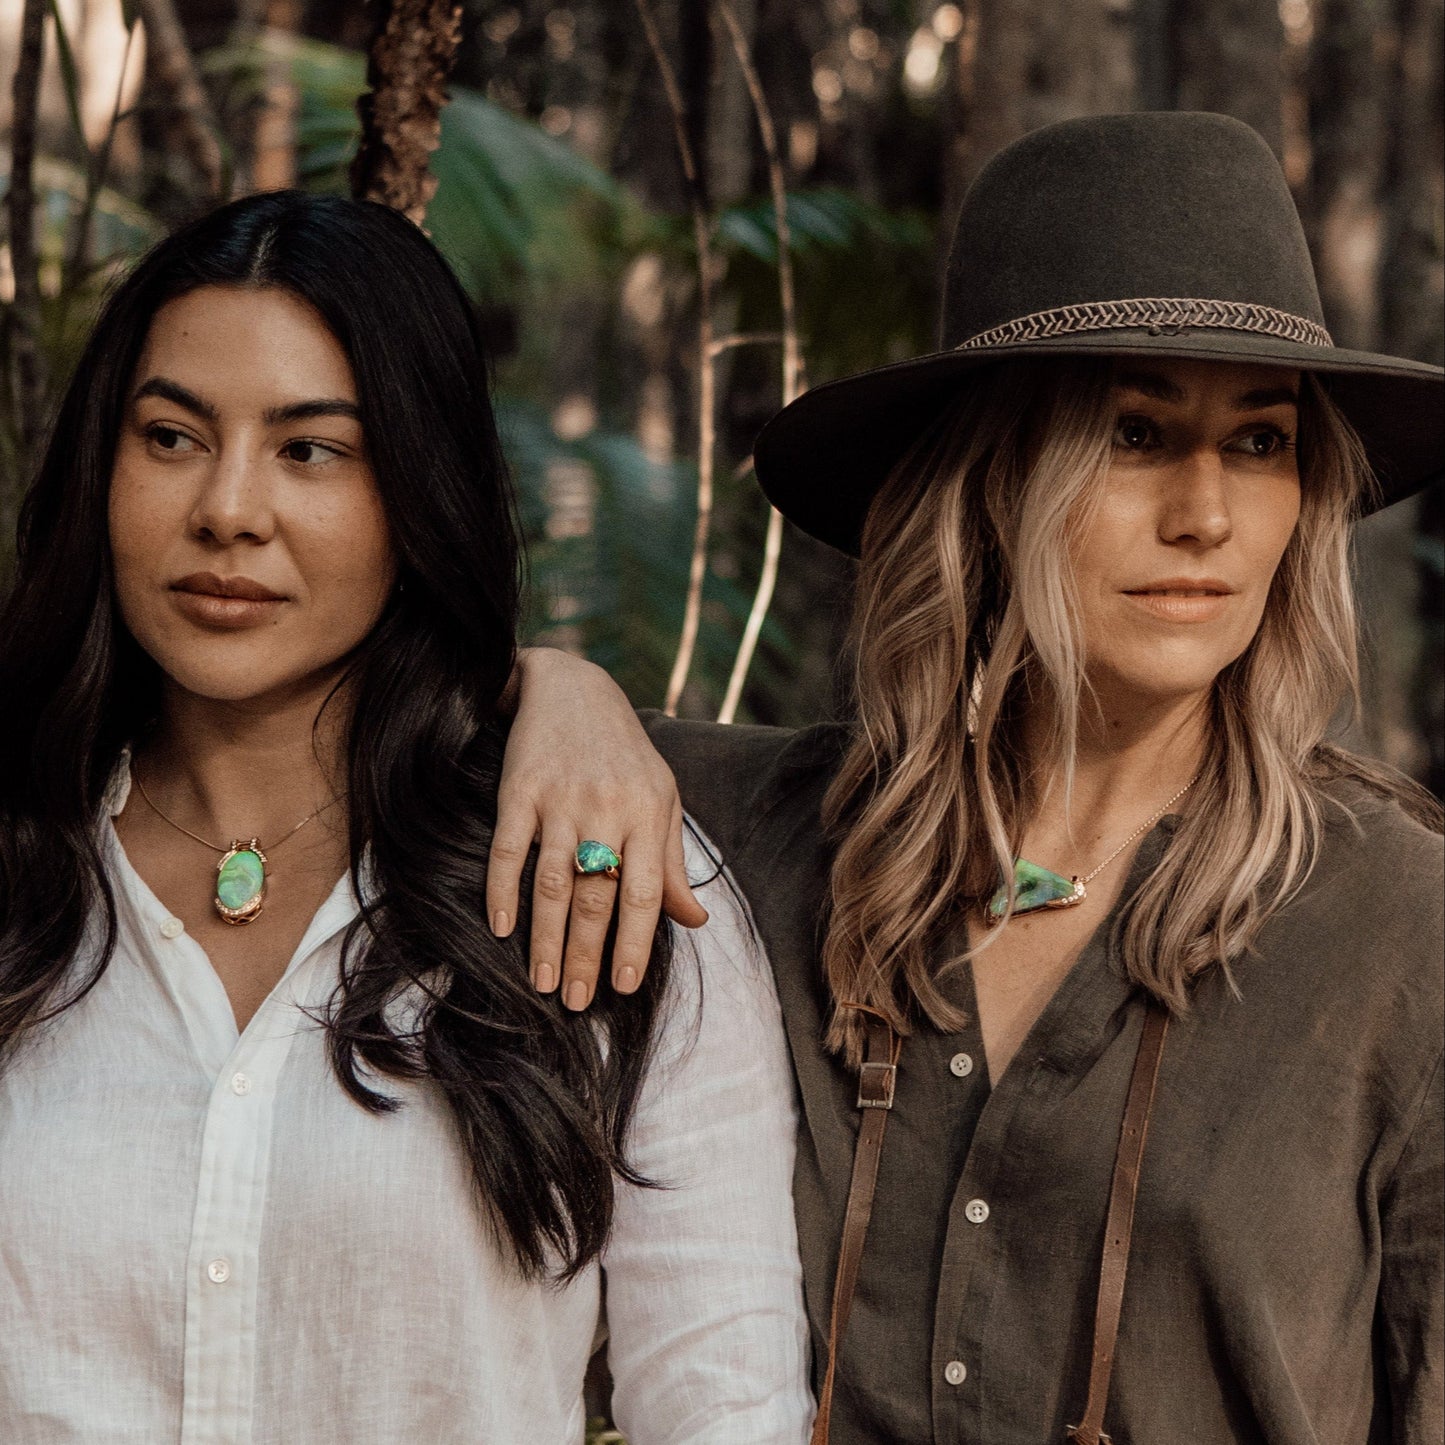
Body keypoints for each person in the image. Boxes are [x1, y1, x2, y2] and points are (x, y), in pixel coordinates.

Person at [494, 113, 1444, 1443]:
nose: (1207, 517)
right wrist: (562, 691)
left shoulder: (1402, 930)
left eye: (1258, 442)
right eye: (1131, 433)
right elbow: (353, 740)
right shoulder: (741, 847)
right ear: (986, 479)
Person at [0, 191, 813, 1444]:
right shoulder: (21, 866)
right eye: (170, 436)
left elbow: (724, 1409)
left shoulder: (598, 887)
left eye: (312, 449)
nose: (228, 507)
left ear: (415, 492)